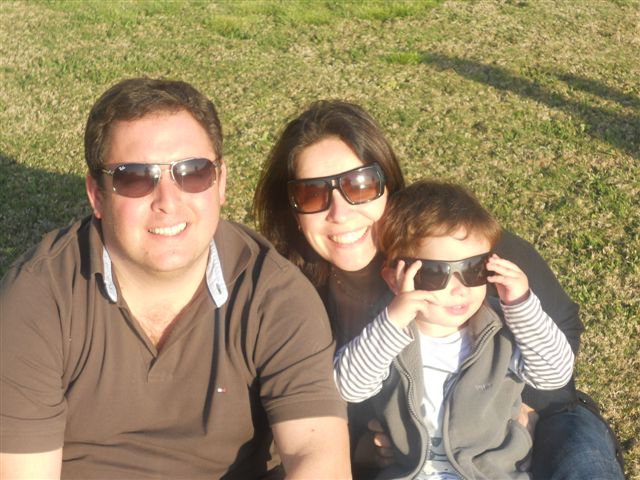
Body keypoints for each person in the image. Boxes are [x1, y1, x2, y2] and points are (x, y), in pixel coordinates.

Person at [253, 100, 625, 479]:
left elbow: (561, 339)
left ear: (387, 185)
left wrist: (517, 410)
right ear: (293, 212)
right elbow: (328, 402)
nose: (340, 212)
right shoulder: (291, 295)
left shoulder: (466, 249)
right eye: (313, 195)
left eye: (359, 185)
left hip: (536, 423)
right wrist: (362, 445)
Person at [0, 78, 351, 479]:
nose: (168, 202)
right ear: (97, 195)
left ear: (220, 182)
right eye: (135, 178)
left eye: (193, 172)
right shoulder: (38, 301)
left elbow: (318, 456)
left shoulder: (274, 295)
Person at [333, 180, 575, 479]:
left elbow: (554, 374)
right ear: (394, 279)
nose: (459, 289)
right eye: (435, 273)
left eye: (474, 269)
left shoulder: (500, 333)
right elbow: (349, 387)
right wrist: (393, 321)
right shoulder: (386, 335)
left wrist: (522, 306)